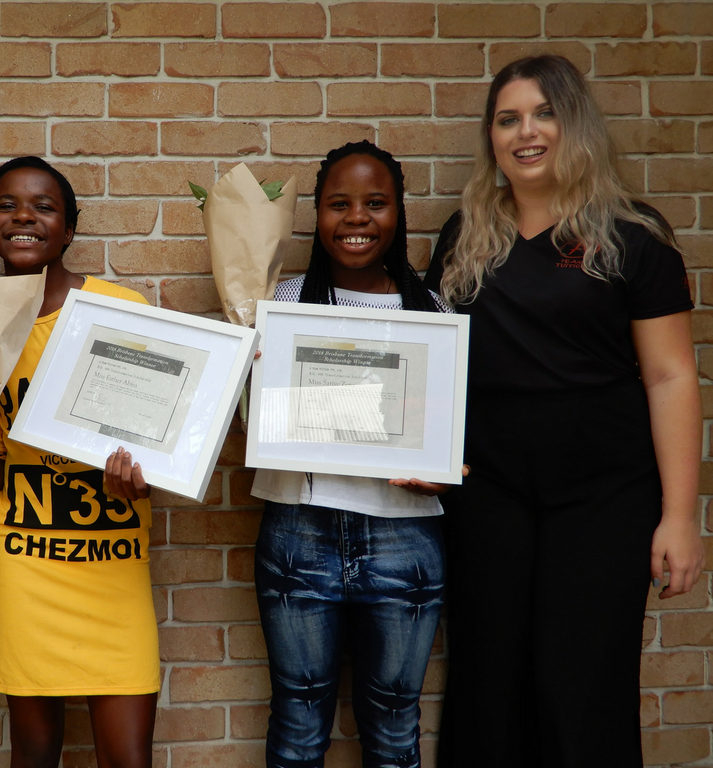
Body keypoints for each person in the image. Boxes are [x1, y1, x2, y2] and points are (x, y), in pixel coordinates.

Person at [424, 55, 704, 768]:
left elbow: (671, 376)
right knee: (488, 686)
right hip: (489, 497)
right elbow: (429, 362)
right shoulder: (464, 240)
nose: (526, 133)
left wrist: (680, 515)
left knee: (583, 688)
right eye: (508, 119)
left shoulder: (633, 239)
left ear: (574, 123)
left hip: (604, 499)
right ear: (491, 137)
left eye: (544, 113)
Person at [0, 156, 159, 768]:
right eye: (6, 205)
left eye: (44, 206)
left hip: (113, 565)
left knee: (129, 757)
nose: (24, 216)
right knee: (33, 754)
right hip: (26, 568)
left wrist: (142, 479)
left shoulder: (120, 311)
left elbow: (162, 445)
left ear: (70, 227)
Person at [250, 140, 451, 768]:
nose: (357, 218)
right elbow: (249, 431)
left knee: (395, 732)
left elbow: (453, 436)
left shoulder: (434, 316)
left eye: (375, 203)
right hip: (298, 534)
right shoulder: (280, 304)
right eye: (339, 203)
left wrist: (447, 470)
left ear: (399, 213)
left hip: (405, 539)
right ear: (316, 214)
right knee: (298, 725)